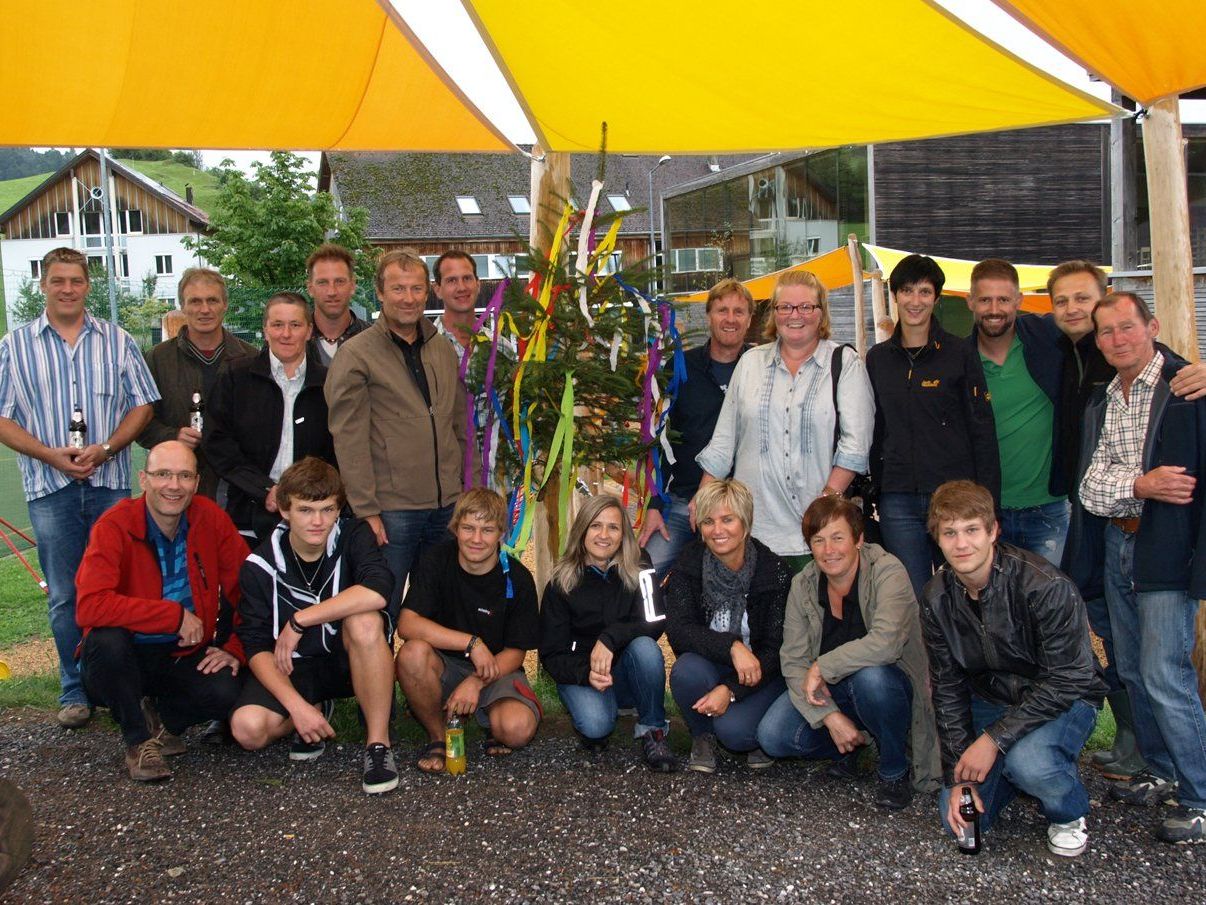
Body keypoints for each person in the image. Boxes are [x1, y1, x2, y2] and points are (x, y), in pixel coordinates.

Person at [1049, 261, 1206, 781]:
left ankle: (1199, 794)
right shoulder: (1104, 399)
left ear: (1152, 328)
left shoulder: (1187, 389)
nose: (1117, 339)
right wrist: (1139, 484)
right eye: (1107, 331)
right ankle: (1159, 773)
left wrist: (1128, 483)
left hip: (1166, 549)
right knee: (1135, 671)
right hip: (1118, 543)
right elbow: (1091, 488)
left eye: (1127, 327)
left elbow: (1179, 484)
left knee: (1166, 674)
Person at [0, 247, 159, 729]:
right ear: (43, 284)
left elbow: (143, 405)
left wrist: (107, 448)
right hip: (50, 486)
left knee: (123, 585)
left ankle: (126, 685)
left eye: (76, 280)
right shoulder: (15, 345)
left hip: (110, 483)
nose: (67, 288)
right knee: (66, 593)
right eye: (58, 280)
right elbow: (3, 418)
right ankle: (76, 688)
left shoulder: (118, 341)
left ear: (88, 285)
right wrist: (50, 455)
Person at [921, 480, 1105, 858]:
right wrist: (960, 771)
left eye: (972, 530)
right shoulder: (936, 597)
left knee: (1030, 762)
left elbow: (1070, 677)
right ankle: (1007, 773)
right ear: (937, 539)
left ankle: (1067, 812)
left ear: (993, 531)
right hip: (993, 697)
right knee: (958, 818)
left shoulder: (1045, 586)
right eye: (949, 533)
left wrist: (993, 741)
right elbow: (948, 686)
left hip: (1064, 698)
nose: (961, 544)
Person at [74, 441, 248, 781]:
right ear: (143, 479)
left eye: (184, 476)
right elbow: (89, 605)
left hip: (181, 652)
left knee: (226, 688)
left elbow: (249, 589)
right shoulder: (115, 525)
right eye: (163, 474)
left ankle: (165, 723)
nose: (174, 485)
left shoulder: (210, 518)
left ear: (197, 483)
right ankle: (138, 742)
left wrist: (236, 649)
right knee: (107, 642)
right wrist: (172, 616)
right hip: (125, 655)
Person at [757, 496, 940, 810]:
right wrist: (828, 716)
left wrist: (822, 666)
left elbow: (886, 644)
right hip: (833, 692)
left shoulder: (888, 572)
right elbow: (793, 660)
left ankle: (894, 769)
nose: (829, 550)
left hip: (893, 687)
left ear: (859, 539)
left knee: (873, 679)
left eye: (838, 538)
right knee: (773, 736)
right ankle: (852, 746)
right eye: (818, 540)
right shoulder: (803, 585)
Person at [230, 458, 398, 794]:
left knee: (365, 620)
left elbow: (379, 589)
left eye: (327, 509)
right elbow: (256, 646)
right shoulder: (259, 564)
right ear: (284, 510)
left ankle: (378, 746)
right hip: (292, 667)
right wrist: (296, 707)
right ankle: (310, 713)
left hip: (347, 661)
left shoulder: (353, 535)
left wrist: (300, 619)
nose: (318, 521)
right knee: (247, 730)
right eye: (306, 510)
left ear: (339, 509)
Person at [695, 271, 874, 568]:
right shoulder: (750, 363)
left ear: (821, 313)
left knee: (814, 613)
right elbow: (724, 442)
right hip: (752, 531)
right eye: (785, 307)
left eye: (806, 307)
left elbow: (855, 448)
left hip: (817, 534)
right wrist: (703, 503)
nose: (795, 315)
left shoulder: (845, 364)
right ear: (774, 313)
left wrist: (824, 506)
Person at [326, 251, 466, 603]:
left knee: (434, 607)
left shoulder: (442, 350)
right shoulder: (356, 355)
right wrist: (366, 509)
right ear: (380, 293)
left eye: (417, 288)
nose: (409, 298)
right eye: (398, 289)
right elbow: (349, 438)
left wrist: (464, 487)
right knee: (380, 607)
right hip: (392, 511)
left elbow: (459, 426)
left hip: (445, 506)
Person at [866, 254, 999, 597]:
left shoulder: (959, 354)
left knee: (964, 588)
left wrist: (988, 499)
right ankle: (923, 653)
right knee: (911, 594)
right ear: (894, 295)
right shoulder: (878, 359)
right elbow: (874, 428)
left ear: (936, 298)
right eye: (907, 290)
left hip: (953, 496)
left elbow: (981, 428)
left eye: (924, 291)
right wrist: (875, 489)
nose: (915, 300)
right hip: (898, 499)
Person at [394, 488, 540, 772]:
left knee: (517, 730)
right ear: (455, 528)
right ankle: (437, 736)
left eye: (487, 530)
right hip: (444, 665)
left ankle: (488, 722)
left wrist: (475, 681)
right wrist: (471, 643)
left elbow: (515, 653)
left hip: (496, 671)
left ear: (501, 533)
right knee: (412, 654)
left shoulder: (518, 578)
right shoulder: (436, 560)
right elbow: (407, 624)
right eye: (468, 528)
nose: (476, 539)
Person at [539, 494, 677, 771]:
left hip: (626, 669)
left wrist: (610, 638)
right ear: (582, 531)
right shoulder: (561, 580)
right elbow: (551, 653)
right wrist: (584, 673)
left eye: (613, 527)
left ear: (623, 533)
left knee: (646, 649)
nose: (604, 535)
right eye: (595, 526)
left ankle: (653, 730)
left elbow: (655, 619)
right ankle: (599, 715)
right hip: (583, 672)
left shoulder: (640, 562)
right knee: (596, 727)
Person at [665, 479, 790, 772]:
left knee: (735, 734)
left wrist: (730, 690)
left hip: (764, 672)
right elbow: (679, 630)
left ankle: (753, 733)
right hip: (714, 662)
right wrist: (731, 646)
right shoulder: (689, 562)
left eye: (727, 520)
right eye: (708, 521)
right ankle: (702, 735)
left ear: (745, 523)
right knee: (685, 671)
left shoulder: (774, 573)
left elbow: (776, 650)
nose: (717, 530)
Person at [641, 278, 753, 579]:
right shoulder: (679, 368)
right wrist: (655, 505)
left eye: (739, 312)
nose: (730, 319)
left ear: (750, 319)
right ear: (709, 316)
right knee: (641, 576)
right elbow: (660, 441)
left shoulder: (761, 367)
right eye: (722, 310)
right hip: (682, 503)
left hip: (744, 509)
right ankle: (641, 628)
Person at [205, 292, 335, 545]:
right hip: (248, 512)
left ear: (309, 331)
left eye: (295, 325)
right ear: (265, 330)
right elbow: (217, 442)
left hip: (313, 515)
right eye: (277, 325)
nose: (285, 334)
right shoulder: (236, 376)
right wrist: (263, 489)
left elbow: (337, 449)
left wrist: (310, 496)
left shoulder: (328, 382)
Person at [966, 259, 1068, 564]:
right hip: (987, 512)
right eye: (985, 299)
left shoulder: (1048, 337)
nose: (994, 309)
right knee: (995, 608)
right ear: (971, 302)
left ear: (1019, 301)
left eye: (1003, 299)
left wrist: (1183, 367)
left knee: (1051, 604)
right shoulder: (961, 362)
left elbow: (1115, 336)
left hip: (1048, 508)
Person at [139, 267, 257, 500]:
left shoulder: (251, 358)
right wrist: (172, 436)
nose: (204, 309)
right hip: (175, 485)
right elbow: (140, 423)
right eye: (195, 301)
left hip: (235, 486)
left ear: (225, 305)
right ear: (182, 306)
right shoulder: (157, 359)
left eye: (212, 300)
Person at [306, 243, 367, 366]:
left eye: (339, 282)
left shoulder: (374, 341)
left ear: (353, 285)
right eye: (322, 282)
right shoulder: (293, 342)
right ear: (310, 288)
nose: (332, 292)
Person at [431, 250, 481, 364]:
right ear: (438, 290)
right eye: (452, 280)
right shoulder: (423, 347)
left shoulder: (499, 346)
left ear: (478, 285)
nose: (461, 287)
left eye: (467, 278)